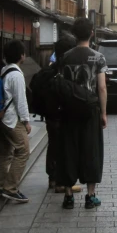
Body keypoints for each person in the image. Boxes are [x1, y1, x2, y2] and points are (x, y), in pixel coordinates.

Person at [57, 18, 107, 210]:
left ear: (74, 34)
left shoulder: (65, 57)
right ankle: (90, 196)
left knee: (68, 150)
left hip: (68, 110)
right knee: (91, 150)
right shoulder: (98, 57)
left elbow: (60, 84)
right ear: (91, 33)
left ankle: (68, 196)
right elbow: (101, 88)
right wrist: (103, 113)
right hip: (90, 110)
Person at [41, 33, 80, 194]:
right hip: (63, 114)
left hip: (50, 114)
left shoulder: (49, 70)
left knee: (53, 145)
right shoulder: (67, 71)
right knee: (65, 147)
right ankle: (61, 182)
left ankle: (53, 179)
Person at [0, 40, 32, 203]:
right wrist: (26, 121)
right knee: (23, 151)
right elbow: (20, 101)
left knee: (5, 152)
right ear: (21, 55)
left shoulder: (4, 70)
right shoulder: (16, 75)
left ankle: (1, 185)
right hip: (12, 120)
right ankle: (10, 188)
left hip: (1, 118)